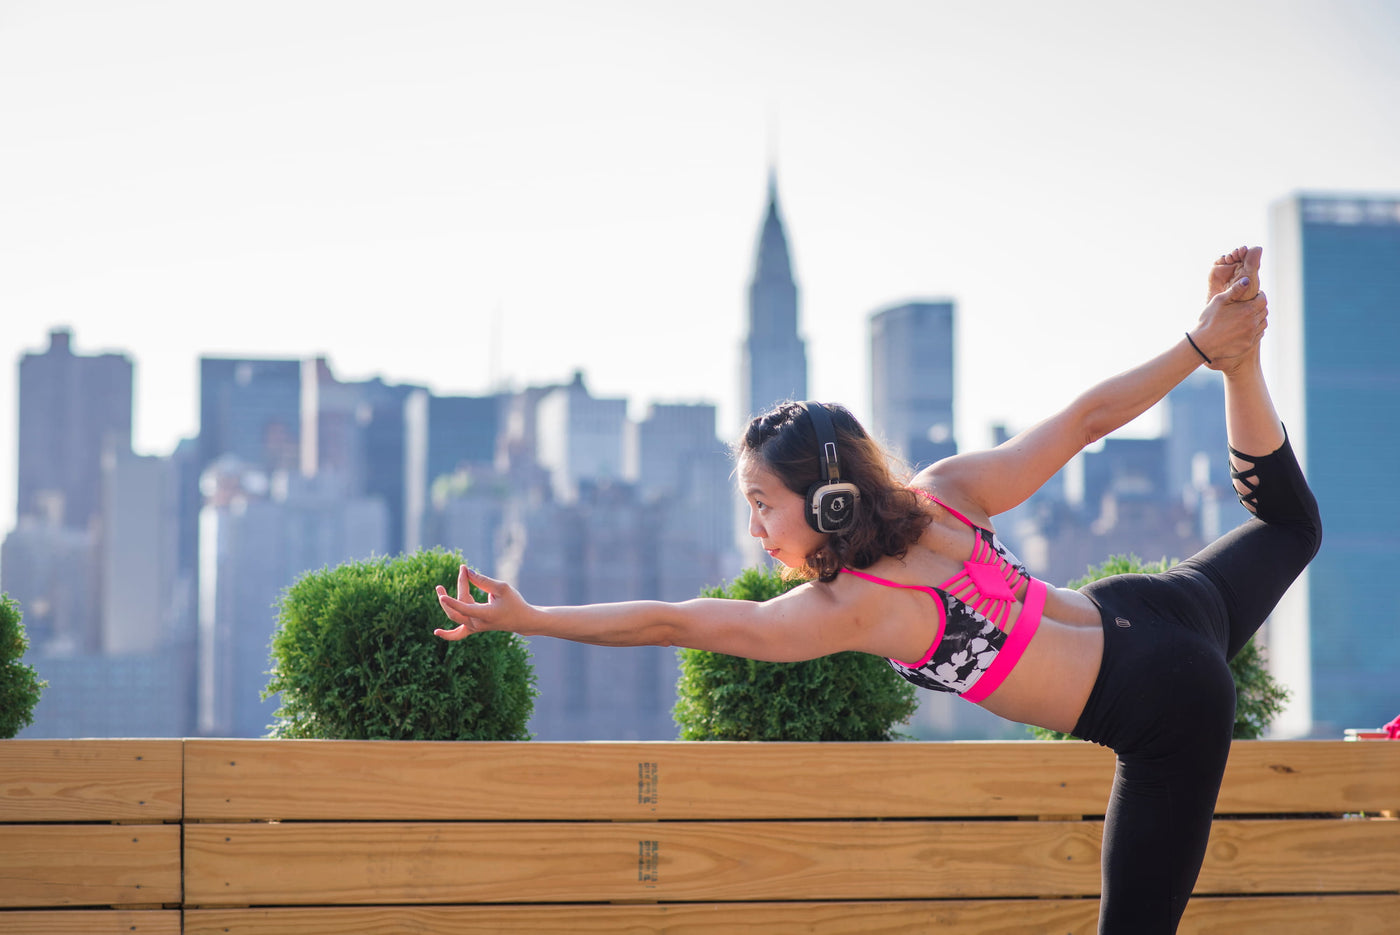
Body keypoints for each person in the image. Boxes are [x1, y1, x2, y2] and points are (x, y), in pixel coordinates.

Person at [434, 246, 1321, 934]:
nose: (756, 533)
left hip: (1164, 703)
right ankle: (1246, 362)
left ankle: (1235, 353)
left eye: (761, 506)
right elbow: (1085, 423)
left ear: (825, 499)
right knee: (1293, 527)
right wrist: (1205, 347)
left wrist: (533, 616)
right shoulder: (943, 489)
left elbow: (675, 620)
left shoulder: (853, 606)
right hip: (1158, 606)